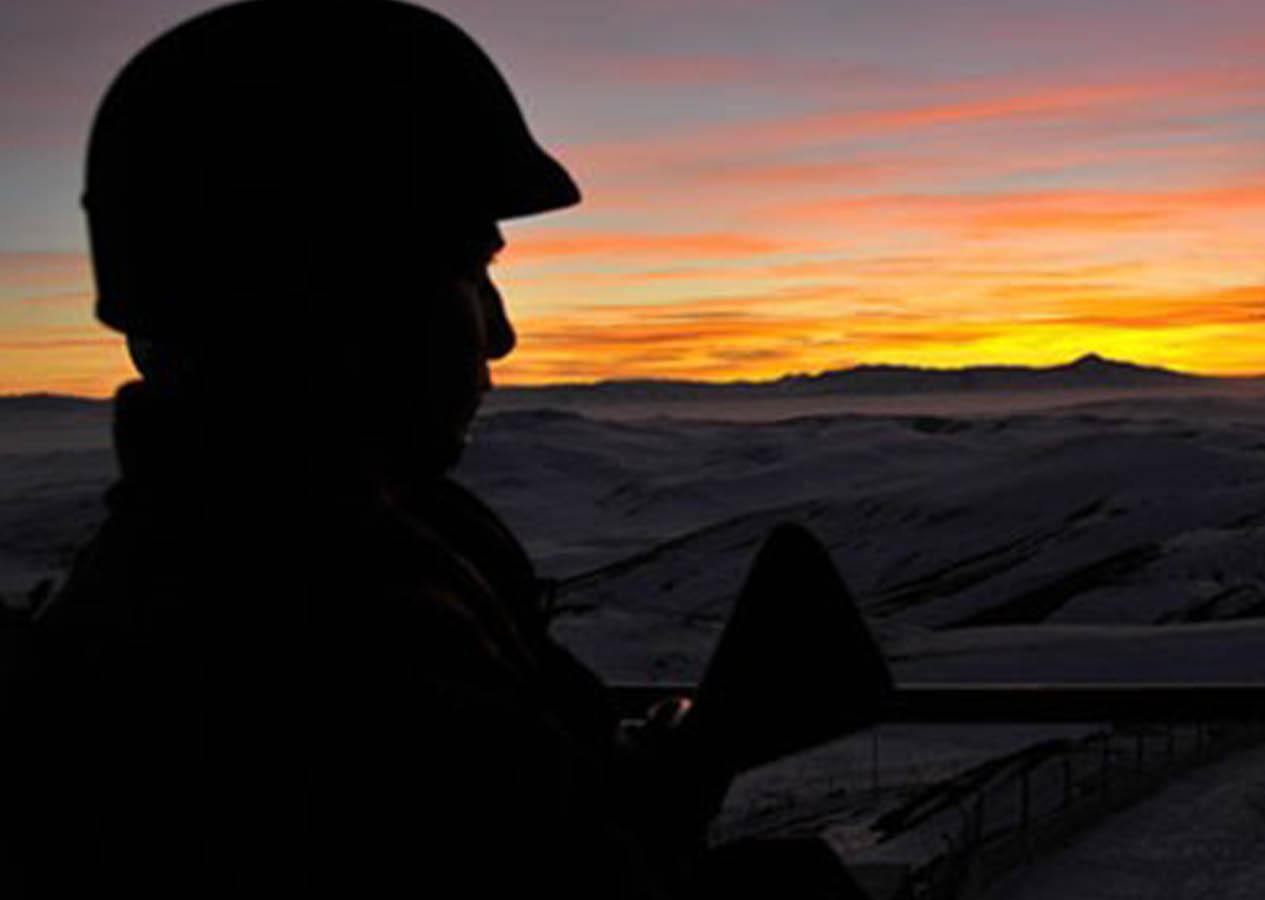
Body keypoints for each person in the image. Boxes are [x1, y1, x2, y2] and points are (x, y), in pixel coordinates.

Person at [12, 2, 873, 896]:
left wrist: (674, 767)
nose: (500, 335)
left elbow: (528, 815)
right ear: (334, 298)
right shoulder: (280, 648)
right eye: (469, 272)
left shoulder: (370, 557)